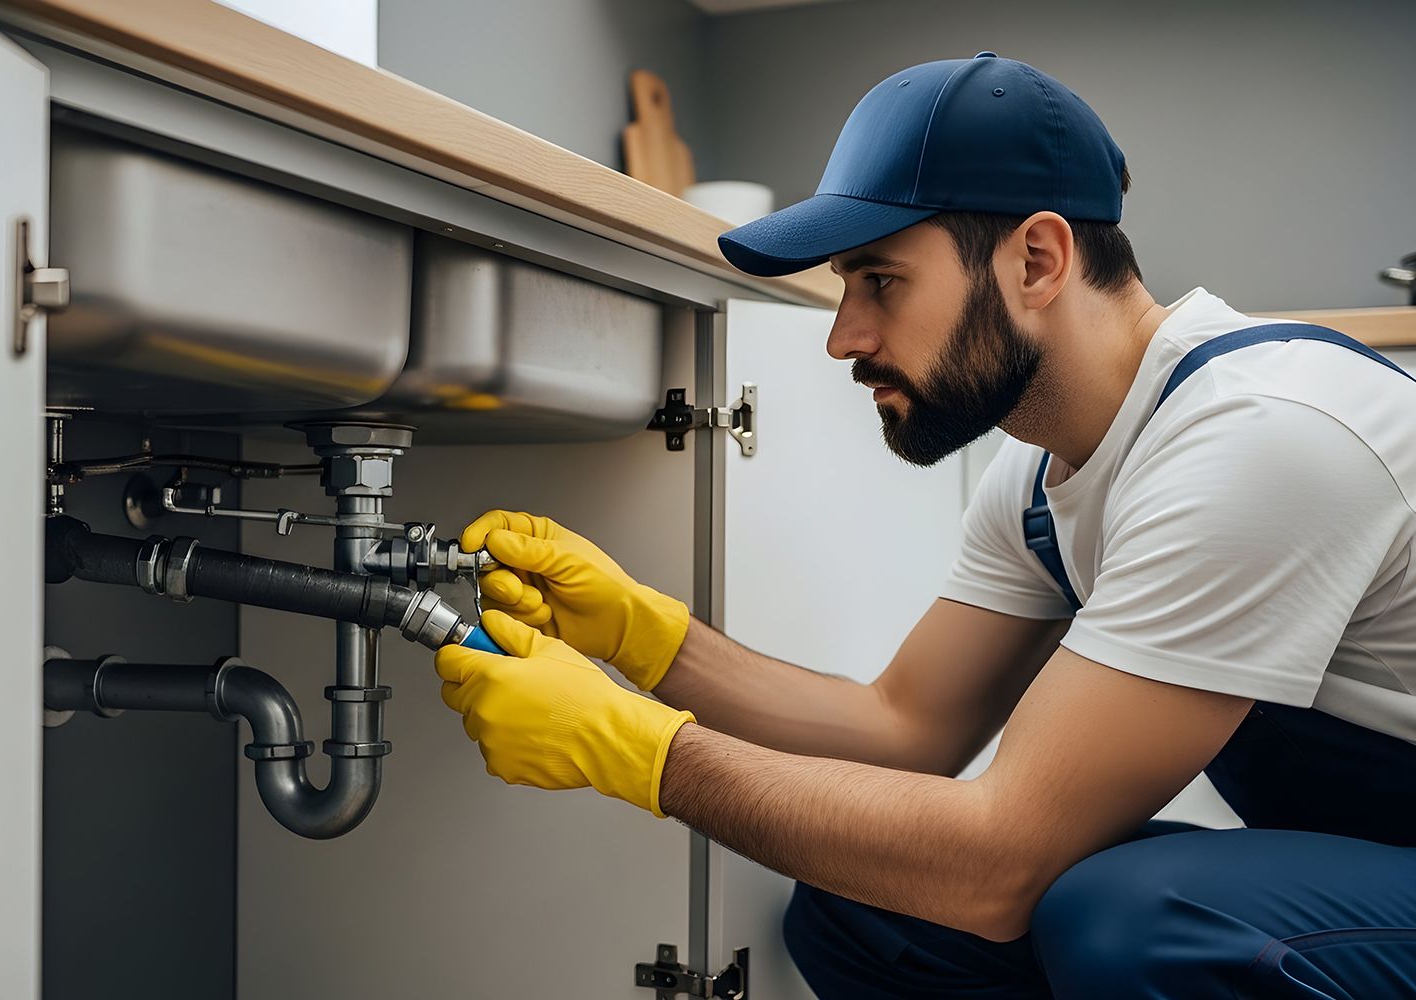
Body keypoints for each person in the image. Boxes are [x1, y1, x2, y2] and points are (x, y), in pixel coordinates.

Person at [432, 53, 1416, 998]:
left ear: (1037, 258)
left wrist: (639, 750)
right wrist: (650, 642)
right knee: (868, 910)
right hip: (1376, 863)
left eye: (880, 282)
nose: (842, 336)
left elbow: (998, 862)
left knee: (1132, 922)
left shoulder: (1260, 439)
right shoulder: (1041, 474)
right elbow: (904, 729)